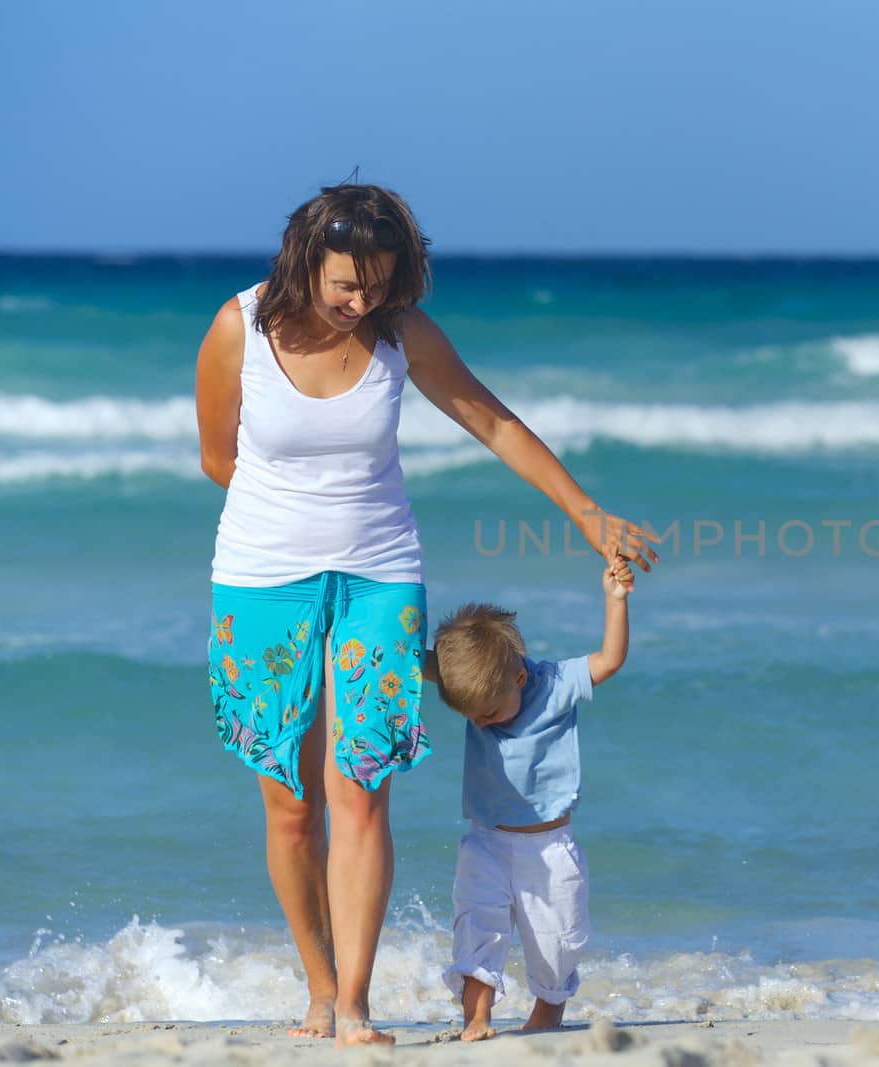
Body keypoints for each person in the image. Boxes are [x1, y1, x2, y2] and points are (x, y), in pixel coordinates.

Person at [194, 181, 656, 1047]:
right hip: (261, 579)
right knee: (291, 801)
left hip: (380, 576)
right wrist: (296, 519)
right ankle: (320, 986)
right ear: (305, 261)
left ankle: (357, 1006)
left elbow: (493, 420)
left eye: (377, 283)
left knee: (361, 788)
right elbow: (221, 456)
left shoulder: (402, 336)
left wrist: (590, 514)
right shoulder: (239, 329)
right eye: (345, 284)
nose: (360, 301)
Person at [429, 558, 633, 1041]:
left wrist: (615, 599)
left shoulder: (557, 685)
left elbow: (610, 659)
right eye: (472, 717)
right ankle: (475, 1018)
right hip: (486, 842)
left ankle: (546, 1013)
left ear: (519, 680)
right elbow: (410, 659)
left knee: (557, 941)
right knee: (478, 928)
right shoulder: (476, 687)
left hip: (550, 847)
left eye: (490, 714)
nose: (480, 724)